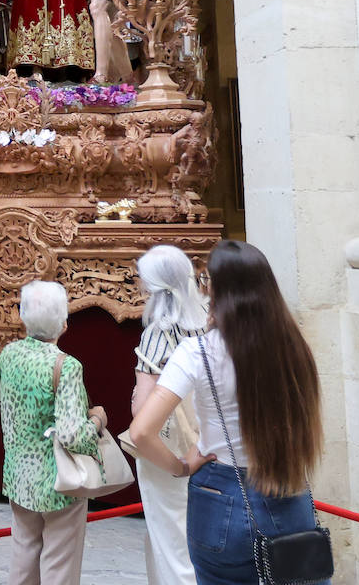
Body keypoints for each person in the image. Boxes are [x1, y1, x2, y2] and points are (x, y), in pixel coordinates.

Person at [129, 240, 325, 585]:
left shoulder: (197, 352)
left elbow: (141, 431)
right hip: (287, 483)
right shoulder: (295, 345)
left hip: (221, 493)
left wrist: (181, 467)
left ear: (219, 290)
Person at [0, 279, 106, 585]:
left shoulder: (8, 355)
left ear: (22, 316)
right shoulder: (66, 366)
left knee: (23, 555)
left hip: (19, 475)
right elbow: (73, 436)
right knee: (59, 564)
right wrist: (98, 420)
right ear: (64, 323)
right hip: (58, 480)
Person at [129, 245, 207, 585]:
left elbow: (142, 416)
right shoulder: (209, 321)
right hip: (210, 441)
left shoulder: (157, 335)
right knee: (201, 538)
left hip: (171, 451)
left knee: (173, 542)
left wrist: (178, 466)